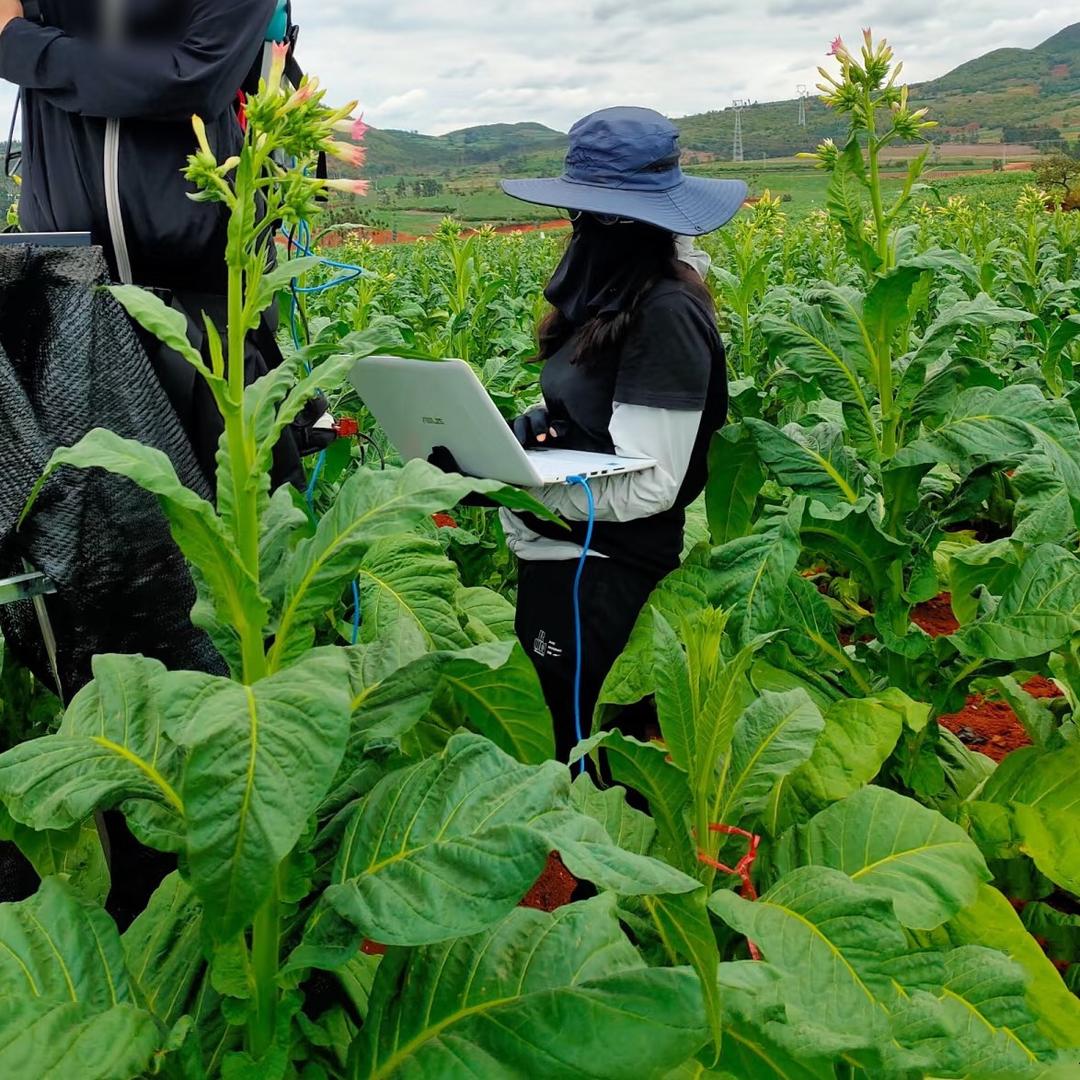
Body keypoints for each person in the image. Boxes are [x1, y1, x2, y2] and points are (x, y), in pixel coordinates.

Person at [499, 107, 745, 762]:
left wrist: (516, 485)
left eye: (604, 215)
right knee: (560, 739)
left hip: (607, 576)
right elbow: (591, 412)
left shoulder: (665, 311)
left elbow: (651, 485)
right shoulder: (609, 295)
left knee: (595, 762)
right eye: (581, 211)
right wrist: (537, 433)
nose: (585, 226)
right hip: (562, 559)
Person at [0, 0, 323, 490]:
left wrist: (19, 44)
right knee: (78, 520)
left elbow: (193, 79)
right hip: (66, 303)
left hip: (203, 309)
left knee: (233, 513)